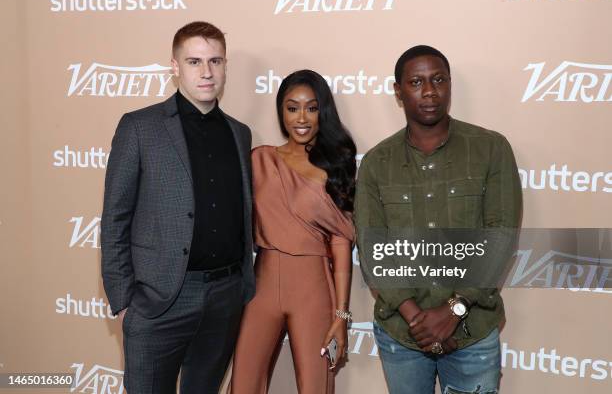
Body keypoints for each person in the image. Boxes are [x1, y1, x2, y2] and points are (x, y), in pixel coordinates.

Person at [354, 45, 522, 393]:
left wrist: (452, 310)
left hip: (471, 332)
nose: (429, 91)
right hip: (402, 334)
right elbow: (373, 249)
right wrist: (417, 318)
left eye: (438, 80)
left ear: (449, 85)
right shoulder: (376, 162)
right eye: (416, 82)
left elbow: (500, 238)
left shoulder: (491, 148)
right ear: (398, 92)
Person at [101, 21, 255, 394]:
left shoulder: (239, 132)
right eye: (194, 61)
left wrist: (241, 289)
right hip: (159, 300)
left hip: (224, 296)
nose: (206, 72)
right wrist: (125, 300)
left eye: (215, 61)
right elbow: (115, 217)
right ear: (175, 66)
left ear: (224, 66)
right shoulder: (140, 127)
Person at [230, 70, 356, 394]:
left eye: (311, 108)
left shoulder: (334, 165)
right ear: (281, 111)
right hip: (263, 282)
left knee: (315, 384)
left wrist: (341, 314)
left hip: (313, 286)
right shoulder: (260, 160)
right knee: (243, 382)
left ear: (322, 112)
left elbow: (341, 242)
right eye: (292, 107)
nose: (302, 118)